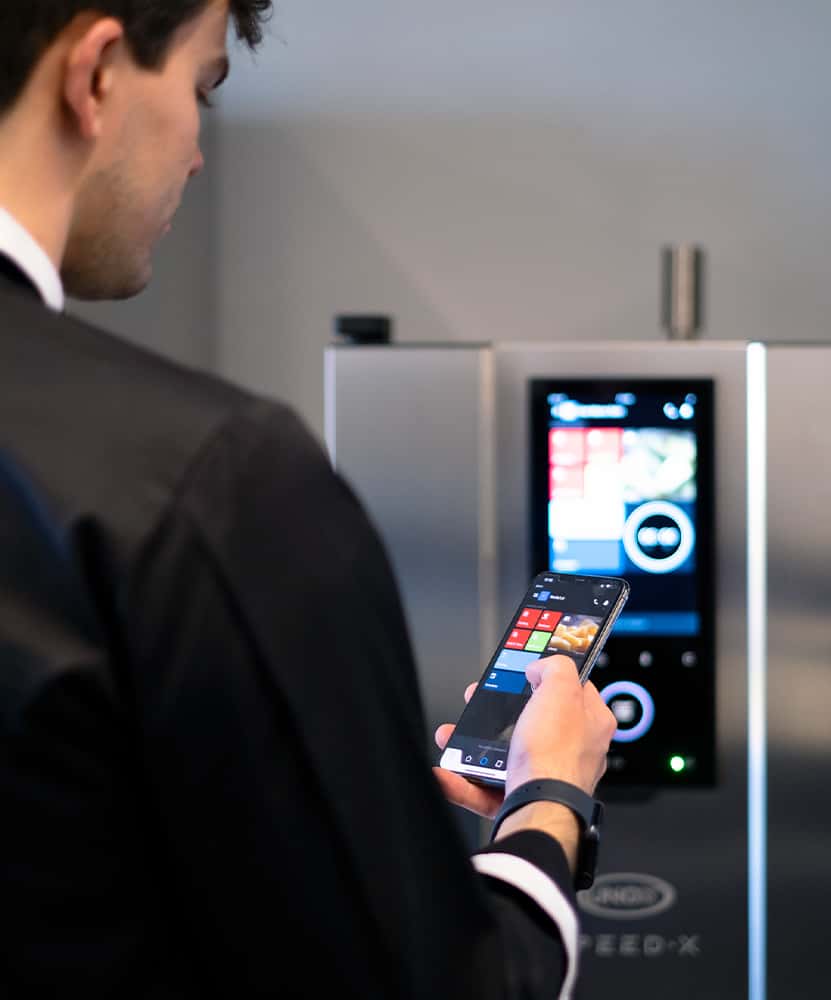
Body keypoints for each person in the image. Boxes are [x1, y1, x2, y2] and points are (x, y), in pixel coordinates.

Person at [0, 3, 618, 997]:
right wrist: (548, 802)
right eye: (202, 88)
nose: (198, 154)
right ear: (99, 74)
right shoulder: (212, 480)